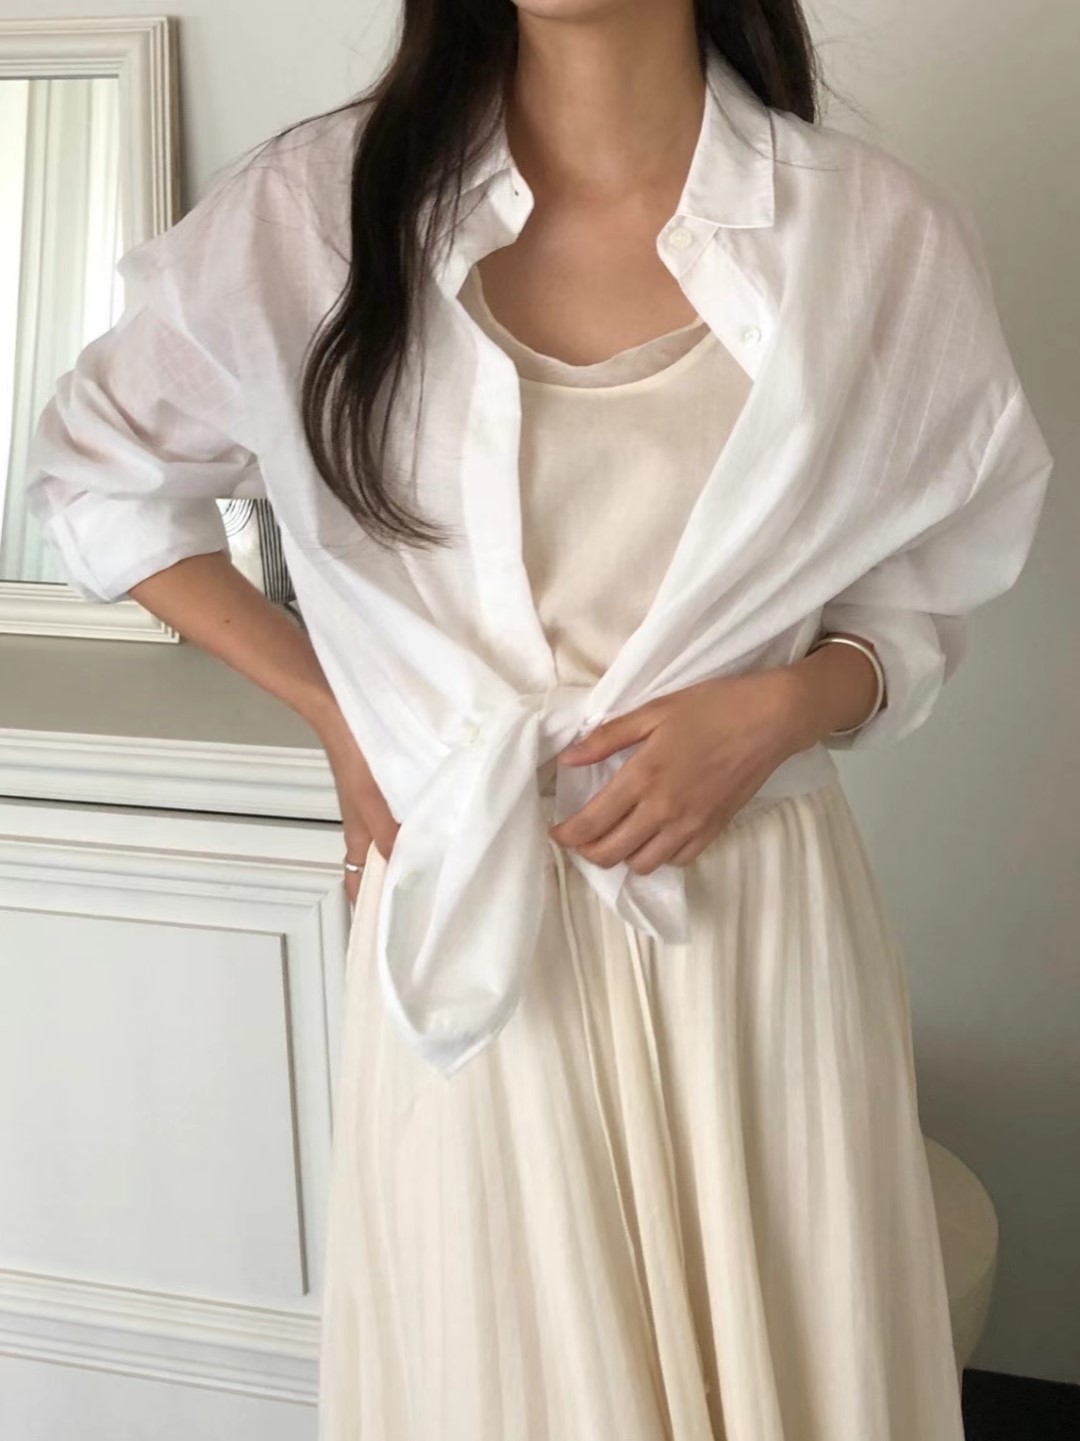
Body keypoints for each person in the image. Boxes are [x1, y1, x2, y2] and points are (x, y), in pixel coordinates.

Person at [24, 2, 1053, 1438]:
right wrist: (343, 712)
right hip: (474, 923)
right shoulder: (313, 217)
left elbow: (929, 583)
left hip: (750, 925)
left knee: (788, 1353)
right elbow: (95, 471)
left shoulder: (873, 236)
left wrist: (782, 708)